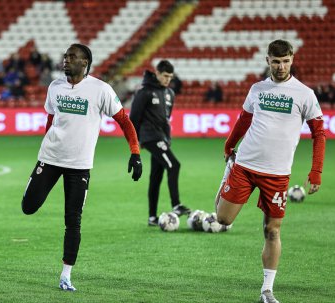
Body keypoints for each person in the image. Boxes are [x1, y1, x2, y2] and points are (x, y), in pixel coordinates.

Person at [21, 43, 142, 291]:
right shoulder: (55, 87)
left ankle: (66, 275)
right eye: (65, 56)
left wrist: (135, 153)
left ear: (85, 62)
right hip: (50, 158)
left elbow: (124, 121)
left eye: (72, 56)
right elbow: (51, 118)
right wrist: (46, 144)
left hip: (80, 165)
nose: (66, 60)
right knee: (28, 206)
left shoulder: (101, 89)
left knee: (73, 220)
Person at [216, 40, 326, 303]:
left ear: (292, 59)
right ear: (268, 61)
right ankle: (226, 177)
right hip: (245, 165)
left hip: (277, 174)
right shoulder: (257, 89)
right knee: (223, 221)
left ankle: (267, 290)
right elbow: (244, 120)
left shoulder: (304, 94)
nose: (281, 66)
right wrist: (230, 145)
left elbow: (319, 133)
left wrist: (316, 171)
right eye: (276, 61)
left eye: (286, 61)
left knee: (272, 231)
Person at [130, 60, 191, 226]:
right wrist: (135, 142)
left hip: (161, 138)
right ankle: (176, 205)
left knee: (156, 177)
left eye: (170, 77)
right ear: (157, 73)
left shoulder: (170, 93)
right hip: (149, 137)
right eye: (165, 76)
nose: (167, 80)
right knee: (174, 165)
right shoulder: (144, 92)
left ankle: (152, 217)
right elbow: (133, 117)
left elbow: (166, 119)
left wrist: (168, 138)